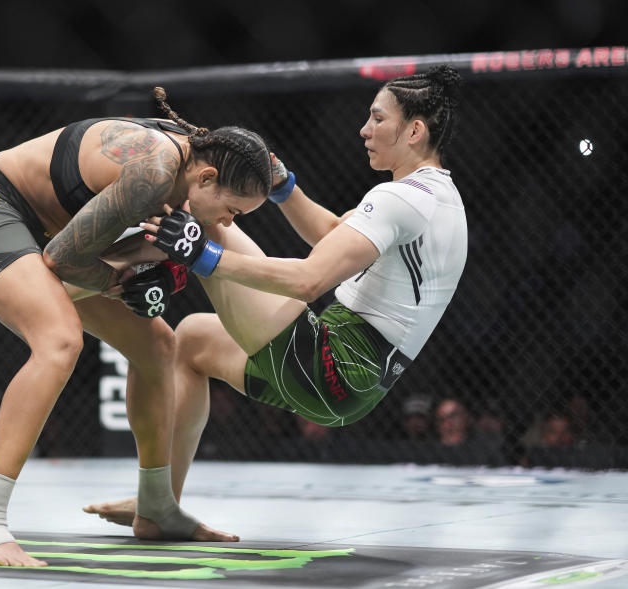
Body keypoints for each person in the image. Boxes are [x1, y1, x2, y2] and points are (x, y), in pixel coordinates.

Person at [86, 66, 468, 529]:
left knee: (205, 216)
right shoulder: (439, 197)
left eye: (377, 118)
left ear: (414, 130)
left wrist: (201, 256)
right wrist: (285, 188)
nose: (364, 130)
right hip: (349, 385)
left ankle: (73, 272)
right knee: (191, 341)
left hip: (331, 367)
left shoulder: (400, 199)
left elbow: (310, 279)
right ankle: (158, 505)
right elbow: (333, 236)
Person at [0, 87, 273, 566]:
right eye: (233, 209)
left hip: (55, 235)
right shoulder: (155, 171)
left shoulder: (194, 166)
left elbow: (97, 249)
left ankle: (157, 507)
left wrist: (140, 269)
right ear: (206, 177)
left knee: (158, 344)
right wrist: (125, 280)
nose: (227, 221)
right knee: (58, 340)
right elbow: (60, 261)